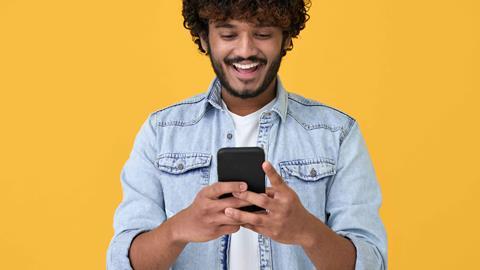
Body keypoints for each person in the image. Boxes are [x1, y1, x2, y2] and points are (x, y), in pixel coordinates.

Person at [107, 1, 387, 269]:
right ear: (205, 38)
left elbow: (372, 263)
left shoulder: (336, 133)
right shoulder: (162, 132)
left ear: (286, 38)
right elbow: (120, 263)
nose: (245, 50)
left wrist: (306, 231)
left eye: (263, 33)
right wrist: (178, 228)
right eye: (228, 34)